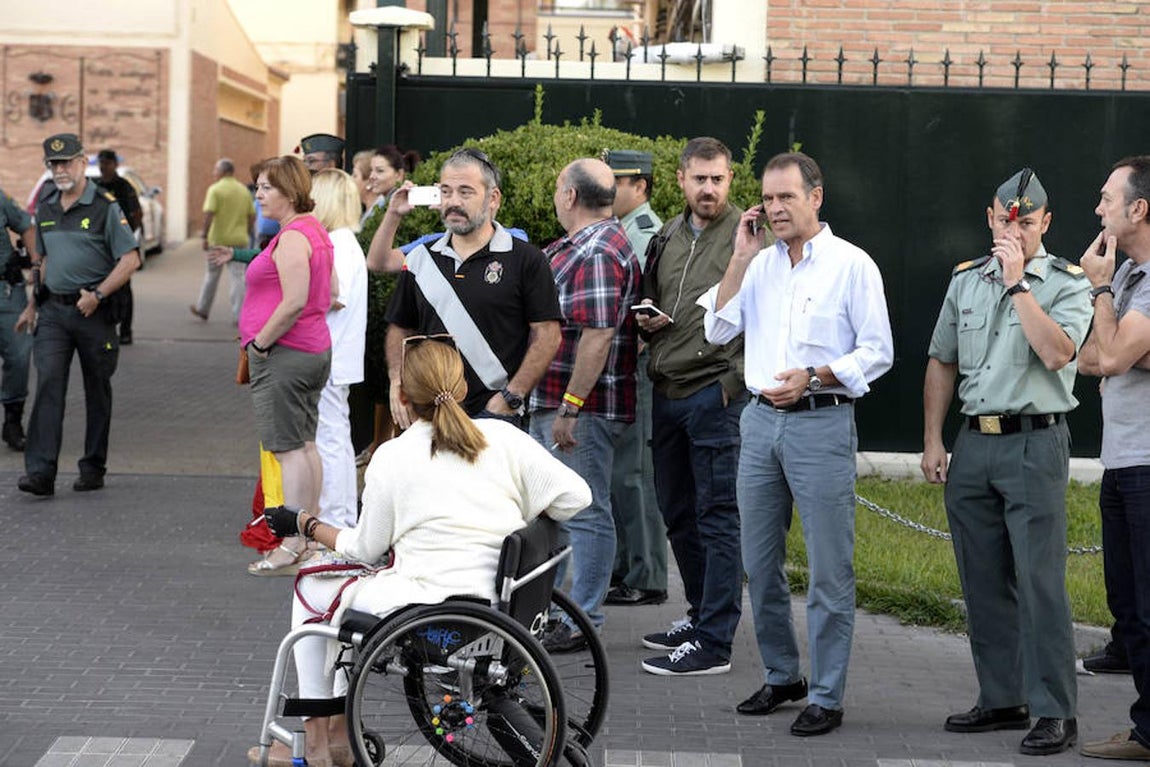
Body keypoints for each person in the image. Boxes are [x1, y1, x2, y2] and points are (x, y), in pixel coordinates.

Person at [250, 338, 591, 767]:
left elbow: (363, 549)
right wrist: (515, 513)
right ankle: (331, 736)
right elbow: (576, 496)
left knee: (310, 585)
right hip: (500, 603)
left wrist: (306, 524)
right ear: (463, 388)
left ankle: (322, 740)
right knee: (342, 598)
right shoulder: (503, 437)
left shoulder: (393, 456)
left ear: (403, 397)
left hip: (429, 605)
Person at [703, 151, 893, 734]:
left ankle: (829, 695)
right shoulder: (757, 265)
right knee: (758, 564)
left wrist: (814, 376)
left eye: (788, 197)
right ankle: (784, 674)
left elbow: (878, 352)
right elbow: (716, 329)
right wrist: (738, 257)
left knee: (829, 570)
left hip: (821, 421)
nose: (776, 208)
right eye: (768, 197)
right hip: (759, 422)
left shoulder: (852, 265)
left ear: (816, 197)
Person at [921, 168, 1089, 755]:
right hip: (975, 443)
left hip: (1033, 442)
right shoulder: (966, 280)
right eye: (1003, 218)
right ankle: (1001, 697)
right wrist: (934, 439)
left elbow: (1059, 352)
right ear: (991, 217)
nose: (1012, 228)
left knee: (1040, 582)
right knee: (983, 578)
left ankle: (1055, 711)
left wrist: (1019, 285)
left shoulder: (1067, 283)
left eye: (1025, 220)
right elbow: (941, 359)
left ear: (1045, 223)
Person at [635, 137, 747, 675]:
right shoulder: (667, 235)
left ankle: (716, 641)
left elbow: (769, 313)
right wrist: (648, 321)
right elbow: (659, 299)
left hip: (713, 392)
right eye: (699, 178)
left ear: (730, 181)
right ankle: (701, 613)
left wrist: (734, 382)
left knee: (717, 514)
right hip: (667, 388)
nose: (708, 188)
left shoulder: (750, 238)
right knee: (678, 512)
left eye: (718, 179)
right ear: (681, 179)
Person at [529, 157, 640, 652]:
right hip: (561, 401)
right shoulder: (590, 244)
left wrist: (572, 406)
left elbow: (598, 334)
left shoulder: (596, 249)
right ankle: (563, 613)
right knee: (566, 509)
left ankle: (581, 619)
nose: (556, 196)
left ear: (570, 195)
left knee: (587, 510)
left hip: (576, 409)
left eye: (557, 188)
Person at [375, 148, 561, 428]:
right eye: (446, 192)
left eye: (465, 192)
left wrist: (511, 396)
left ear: (493, 198)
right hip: (430, 416)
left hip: (496, 418)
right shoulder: (420, 258)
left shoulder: (526, 259)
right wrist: (397, 380)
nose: (453, 202)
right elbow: (400, 327)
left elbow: (547, 335)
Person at [16, 133, 141, 496]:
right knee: (49, 385)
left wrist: (99, 294)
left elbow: (130, 259)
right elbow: (41, 259)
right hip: (53, 311)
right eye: (53, 164)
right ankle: (40, 473)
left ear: (81, 161)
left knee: (96, 389)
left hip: (94, 313)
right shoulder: (47, 204)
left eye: (66, 162)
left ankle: (92, 466)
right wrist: (32, 303)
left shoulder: (104, 206)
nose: (60, 169)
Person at [1077, 156, 1150, 761]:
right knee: (1126, 602)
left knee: (1148, 609)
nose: (1099, 209)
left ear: (1138, 208)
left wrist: (1099, 289)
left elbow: (1115, 357)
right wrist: (1117, 343)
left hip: (1149, 464)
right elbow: (1089, 358)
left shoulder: (1134, 279)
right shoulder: (1127, 278)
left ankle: (1148, 734)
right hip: (1121, 459)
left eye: (1107, 198)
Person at [240, 156, 334, 576]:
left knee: (288, 449)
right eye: (257, 186)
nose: (258, 195)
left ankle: (294, 540)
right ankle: (309, 535)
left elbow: (294, 300)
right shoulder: (314, 232)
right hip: (308, 350)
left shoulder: (294, 237)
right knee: (306, 446)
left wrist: (260, 343)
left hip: (286, 354)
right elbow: (330, 292)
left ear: (290, 191)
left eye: (265, 187)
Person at [602, 149, 668, 608]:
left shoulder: (645, 234)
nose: (609, 192)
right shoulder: (625, 231)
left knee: (634, 475)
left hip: (637, 367)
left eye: (618, 183)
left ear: (640, 186)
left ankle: (647, 575)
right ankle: (626, 570)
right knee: (618, 476)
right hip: (621, 366)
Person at [309, 169, 368, 529]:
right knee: (335, 439)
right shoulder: (342, 242)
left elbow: (333, 299)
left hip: (330, 354)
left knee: (330, 440)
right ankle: (340, 518)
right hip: (335, 354)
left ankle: (334, 521)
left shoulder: (339, 246)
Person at [190, 158, 255, 323]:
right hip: (240, 240)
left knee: (211, 275)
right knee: (238, 276)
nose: (214, 173)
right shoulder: (243, 190)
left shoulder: (215, 189)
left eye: (216, 170)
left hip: (217, 240)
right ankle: (239, 315)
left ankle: (203, 308)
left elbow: (209, 214)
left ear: (224, 172)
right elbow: (252, 216)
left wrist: (204, 236)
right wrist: (245, 233)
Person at [0, 186, 38, 451]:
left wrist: (37, 264)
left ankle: (13, 422)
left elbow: (26, 226)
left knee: (19, 355)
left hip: (6, 290)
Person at [94, 149, 142, 345]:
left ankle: (126, 330)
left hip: (121, 245)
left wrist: (126, 236)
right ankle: (104, 328)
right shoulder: (95, 187)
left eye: (106, 163)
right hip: (101, 246)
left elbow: (137, 214)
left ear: (115, 164)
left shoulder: (124, 187)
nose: (103, 167)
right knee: (102, 285)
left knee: (124, 288)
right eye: (101, 163)